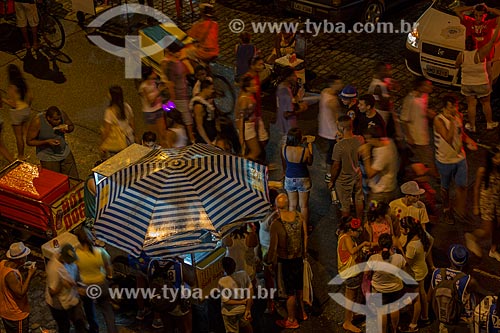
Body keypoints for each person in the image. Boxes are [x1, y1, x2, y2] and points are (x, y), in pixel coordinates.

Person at [265, 193, 308, 329]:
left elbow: (273, 248)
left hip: (286, 261)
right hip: (299, 259)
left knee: (290, 293)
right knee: (299, 288)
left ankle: (291, 319)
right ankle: (302, 312)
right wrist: (304, 254)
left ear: (277, 207)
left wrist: (269, 262)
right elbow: (305, 236)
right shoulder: (298, 216)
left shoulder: (276, 224)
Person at [433, 94, 477, 224]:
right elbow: (448, 137)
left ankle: (460, 212)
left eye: (456, 106)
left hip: (460, 158)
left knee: (462, 186)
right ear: (445, 107)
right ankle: (446, 209)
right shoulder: (438, 120)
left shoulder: (458, 116)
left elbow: (460, 134)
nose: (455, 109)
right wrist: (452, 121)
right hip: (444, 160)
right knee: (445, 188)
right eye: (452, 107)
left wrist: (469, 140)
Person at [430, 244, 486, 333]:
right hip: (461, 321)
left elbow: (430, 296)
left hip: (443, 317)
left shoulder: (437, 273)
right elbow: (481, 293)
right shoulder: (468, 280)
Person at [455, 22, 500, 133]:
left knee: (471, 104)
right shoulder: (481, 53)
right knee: (486, 103)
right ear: (475, 44)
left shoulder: (462, 55)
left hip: (467, 84)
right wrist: (498, 27)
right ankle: (489, 123)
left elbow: (456, 65)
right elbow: (492, 41)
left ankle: (472, 125)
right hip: (481, 83)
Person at [75, 227, 117, 333]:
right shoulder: (100, 252)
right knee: (107, 310)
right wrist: (110, 277)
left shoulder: (76, 255)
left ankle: (94, 328)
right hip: (101, 284)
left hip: (86, 287)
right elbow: (109, 267)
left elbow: (75, 271)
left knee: (89, 309)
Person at [366, 233, 406, 333]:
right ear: (392, 244)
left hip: (379, 290)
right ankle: (394, 329)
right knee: (394, 308)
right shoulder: (399, 258)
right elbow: (404, 271)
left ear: (379, 245)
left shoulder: (373, 258)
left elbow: (366, 274)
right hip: (396, 288)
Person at [336, 216, 370, 333]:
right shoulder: (347, 239)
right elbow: (352, 251)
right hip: (351, 273)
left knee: (351, 297)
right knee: (350, 298)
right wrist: (363, 244)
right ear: (350, 230)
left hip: (348, 272)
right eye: (358, 231)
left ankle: (350, 317)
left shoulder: (344, 236)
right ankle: (347, 322)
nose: (359, 233)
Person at [465, 146, 500, 259]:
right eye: (496, 158)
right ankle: (471, 237)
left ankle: (493, 250)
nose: (498, 160)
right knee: (486, 230)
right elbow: (476, 188)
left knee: (498, 227)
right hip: (487, 203)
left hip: (498, 202)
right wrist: (476, 206)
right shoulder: (483, 171)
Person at [328, 115, 365, 218]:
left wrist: (331, 180)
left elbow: (336, 166)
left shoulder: (338, 147)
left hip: (344, 179)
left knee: (345, 205)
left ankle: (346, 227)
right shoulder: (360, 139)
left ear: (342, 128)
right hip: (357, 175)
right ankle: (359, 223)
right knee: (358, 199)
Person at [26, 106, 79, 178]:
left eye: (60, 119)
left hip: (64, 152)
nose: (59, 121)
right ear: (48, 118)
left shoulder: (62, 114)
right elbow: (29, 141)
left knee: (73, 179)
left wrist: (67, 129)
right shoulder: (38, 122)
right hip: (48, 157)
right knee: (54, 179)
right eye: (56, 120)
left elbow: (71, 126)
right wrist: (46, 142)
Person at [45, 244, 88, 333]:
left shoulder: (70, 260)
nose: (71, 263)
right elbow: (52, 292)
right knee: (64, 327)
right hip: (60, 304)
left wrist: (80, 286)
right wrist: (62, 283)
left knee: (81, 324)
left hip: (73, 298)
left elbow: (76, 274)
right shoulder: (54, 269)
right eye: (69, 261)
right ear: (63, 258)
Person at [400, 77, 437, 177]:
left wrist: (428, 113)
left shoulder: (425, 96)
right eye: (427, 85)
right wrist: (409, 137)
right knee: (427, 162)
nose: (430, 87)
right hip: (416, 138)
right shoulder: (410, 100)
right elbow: (404, 120)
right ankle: (438, 179)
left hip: (424, 135)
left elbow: (422, 110)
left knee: (425, 162)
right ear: (420, 87)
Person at [454, 4, 500, 84]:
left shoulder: (489, 24)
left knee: (487, 79)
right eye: (476, 15)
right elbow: (456, 10)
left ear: (485, 15)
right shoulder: (469, 21)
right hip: (471, 56)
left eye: (480, 16)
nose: (478, 18)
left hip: (486, 58)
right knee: (470, 79)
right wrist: (472, 7)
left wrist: (488, 8)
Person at [400, 216, 431, 332]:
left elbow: (406, 262)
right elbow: (431, 241)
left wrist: (399, 248)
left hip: (415, 274)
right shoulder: (423, 236)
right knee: (422, 293)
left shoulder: (412, 246)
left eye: (402, 229)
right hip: (422, 269)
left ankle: (413, 324)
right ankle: (425, 316)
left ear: (408, 230)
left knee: (416, 299)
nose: (401, 230)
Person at [0, 242, 36, 333]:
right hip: (16, 314)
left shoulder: (3, 263)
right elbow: (20, 293)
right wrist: (30, 275)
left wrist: (21, 267)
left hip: (5, 310)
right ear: (21, 259)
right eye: (25, 256)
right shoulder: (11, 275)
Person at [282, 127, 313, 231]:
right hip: (303, 178)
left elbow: (284, 163)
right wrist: (309, 145)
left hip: (290, 177)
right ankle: (304, 229)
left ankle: (292, 228)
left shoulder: (284, 148)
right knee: (303, 206)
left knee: (292, 205)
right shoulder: (305, 151)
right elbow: (310, 162)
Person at [161, 44, 193, 141]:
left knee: (184, 116)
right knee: (186, 118)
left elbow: (190, 72)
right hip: (178, 95)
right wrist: (172, 99)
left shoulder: (179, 62)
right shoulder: (169, 65)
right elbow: (171, 84)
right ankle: (191, 138)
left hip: (182, 93)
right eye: (177, 51)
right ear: (171, 52)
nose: (179, 53)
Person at [359, 127, 399, 203]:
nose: (367, 141)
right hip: (390, 187)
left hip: (381, 193)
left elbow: (370, 174)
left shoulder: (383, 154)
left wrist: (366, 156)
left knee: (373, 213)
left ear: (374, 139)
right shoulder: (389, 142)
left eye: (368, 139)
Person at [2, 65, 32, 160]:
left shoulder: (12, 86)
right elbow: (31, 96)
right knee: (25, 132)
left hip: (17, 113)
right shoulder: (22, 83)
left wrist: (2, 99)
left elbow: (13, 104)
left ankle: (21, 155)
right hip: (26, 109)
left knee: (19, 137)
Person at [318, 74, 343, 183]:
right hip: (332, 131)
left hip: (324, 128)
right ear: (333, 84)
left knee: (329, 150)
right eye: (338, 83)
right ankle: (329, 173)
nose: (341, 85)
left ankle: (327, 168)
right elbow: (337, 117)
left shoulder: (325, 92)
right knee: (332, 153)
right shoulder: (333, 100)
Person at [218, 257, 253, 333]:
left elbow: (226, 301)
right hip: (242, 310)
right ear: (235, 265)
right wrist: (248, 309)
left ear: (223, 268)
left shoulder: (222, 281)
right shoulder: (243, 274)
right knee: (247, 327)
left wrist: (242, 302)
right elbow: (250, 291)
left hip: (229, 313)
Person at [100, 85, 135, 156]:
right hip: (129, 138)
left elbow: (107, 131)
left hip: (118, 143)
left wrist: (102, 143)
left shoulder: (109, 111)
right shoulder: (127, 106)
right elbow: (132, 124)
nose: (107, 94)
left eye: (109, 93)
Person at [275, 67, 307, 135]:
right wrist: (301, 109)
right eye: (294, 75)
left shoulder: (286, 87)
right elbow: (286, 114)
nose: (296, 77)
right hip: (287, 126)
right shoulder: (284, 92)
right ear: (288, 77)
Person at [236, 75, 261, 161]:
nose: (256, 87)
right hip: (247, 128)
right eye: (253, 85)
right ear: (247, 88)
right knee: (256, 151)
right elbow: (240, 119)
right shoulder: (244, 100)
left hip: (251, 125)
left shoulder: (249, 96)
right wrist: (241, 139)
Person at [138, 66, 164, 136]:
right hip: (150, 113)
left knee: (163, 133)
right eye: (153, 72)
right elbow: (150, 102)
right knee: (154, 134)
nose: (155, 73)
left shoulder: (154, 82)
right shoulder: (144, 87)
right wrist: (159, 91)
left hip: (158, 109)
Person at [190, 79, 217, 144]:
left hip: (211, 137)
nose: (213, 91)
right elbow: (199, 126)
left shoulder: (207, 102)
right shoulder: (198, 106)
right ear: (205, 89)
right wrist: (209, 142)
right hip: (204, 141)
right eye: (211, 89)